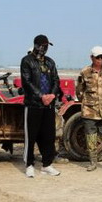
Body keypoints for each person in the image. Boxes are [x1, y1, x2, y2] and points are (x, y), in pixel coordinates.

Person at [20, 34, 62, 177]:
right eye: (43, 46)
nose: (45, 48)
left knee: (48, 136)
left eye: (47, 46)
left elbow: (56, 80)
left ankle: (47, 164)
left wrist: (52, 95)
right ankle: (29, 165)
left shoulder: (50, 62)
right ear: (37, 46)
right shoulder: (27, 61)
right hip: (33, 104)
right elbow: (27, 82)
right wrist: (41, 96)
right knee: (31, 136)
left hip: (48, 105)